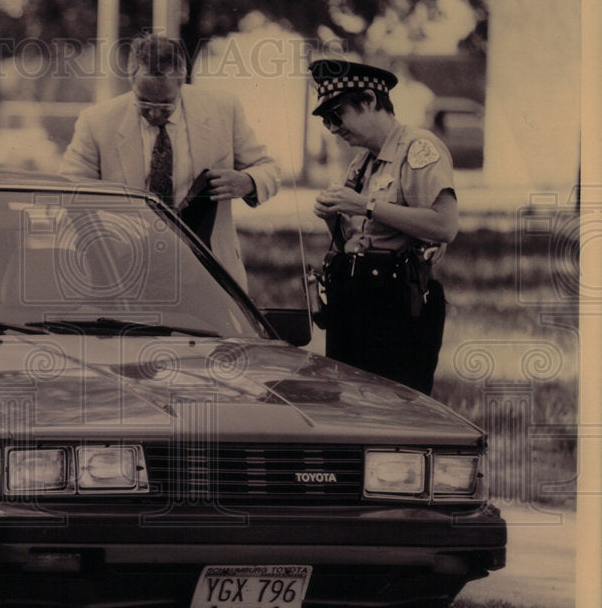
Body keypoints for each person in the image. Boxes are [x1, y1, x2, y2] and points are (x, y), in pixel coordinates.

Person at [60, 33, 281, 290]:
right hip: (124, 273)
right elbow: (70, 192)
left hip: (208, 272)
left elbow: (269, 168)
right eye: (143, 101)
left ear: (182, 83)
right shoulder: (96, 121)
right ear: (131, 80)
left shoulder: (223, 110)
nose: (154, 112)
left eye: (166, 104)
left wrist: (248, 181)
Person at [309, 58, 456, 395]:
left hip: (397, 306)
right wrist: (334, 217)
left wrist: (366, 205)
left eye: (337, 115)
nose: (332, 128)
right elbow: (357, 239)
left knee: (393, 414)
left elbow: (445, 225)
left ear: (371, 101)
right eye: (326, 120)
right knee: (348, 410)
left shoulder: (419, 149)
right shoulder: (363, 162)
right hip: (356, 301)